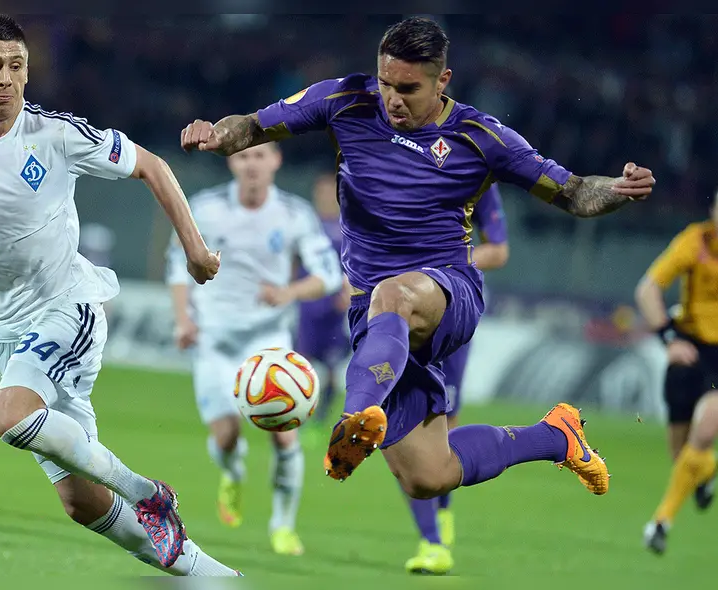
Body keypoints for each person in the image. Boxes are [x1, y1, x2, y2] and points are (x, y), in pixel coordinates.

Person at [181, 16, 654, 509]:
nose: (393, 99)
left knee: (395, 294)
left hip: (448, 291)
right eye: (386, 83)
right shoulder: (345, 100)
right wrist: (216, 134)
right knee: (428, 476)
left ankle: (354, 418)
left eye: (408, 89)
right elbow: (252, 127)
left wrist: (619, 189)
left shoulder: (480, 137)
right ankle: (556, 435)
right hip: (375, 320)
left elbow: (575, 192)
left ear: (442, 80)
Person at [0, 15, 238, 576]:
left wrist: (195, 250)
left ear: (28, 73)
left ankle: (147, 493)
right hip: (7, 332)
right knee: (82, 503)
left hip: (66, 307)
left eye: (17, 66)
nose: (6, 78)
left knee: (8, 414)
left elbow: (152, 165)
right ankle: (216, 579)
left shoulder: (55, 134)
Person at [167, 143, 342, 556]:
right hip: (214, 340)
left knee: (284, 436)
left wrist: (289, 292)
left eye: (260, 156)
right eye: (244, 157)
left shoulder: (294, 214)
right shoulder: (205, 208)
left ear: (276, 160)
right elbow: (177, 265)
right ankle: (232, 472)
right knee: (226, 437)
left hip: (269, 344)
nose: (252, 164)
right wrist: (183, 319)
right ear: (232, 161)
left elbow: (329, 274)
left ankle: (283, 526)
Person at [400, 184, 509, 574]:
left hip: (452, 311)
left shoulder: (476, 174)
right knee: (399, 421)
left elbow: (498, 250)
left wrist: (442, 261)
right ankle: (431, 541)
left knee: (444, 423)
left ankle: (442, 507)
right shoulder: (392, 166)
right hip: (399, 309)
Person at [635, 193, 718, 554]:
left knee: (707, 429)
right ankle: (707, 470)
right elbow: (648, 289)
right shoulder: (695, 241)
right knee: (682, 456)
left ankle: (659, 523)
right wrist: (669, 339)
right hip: (689, 350)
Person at [296, 173, 350, 441]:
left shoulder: (347, 227)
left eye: (330, 192)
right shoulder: (308, 225)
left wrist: (348, 291)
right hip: (307, 307)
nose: (325, 197)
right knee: (300, 364)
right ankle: (297, 415)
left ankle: (320, 420)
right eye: (321, 192)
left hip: (333, 308)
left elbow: (355, 263)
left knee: (329, 370)